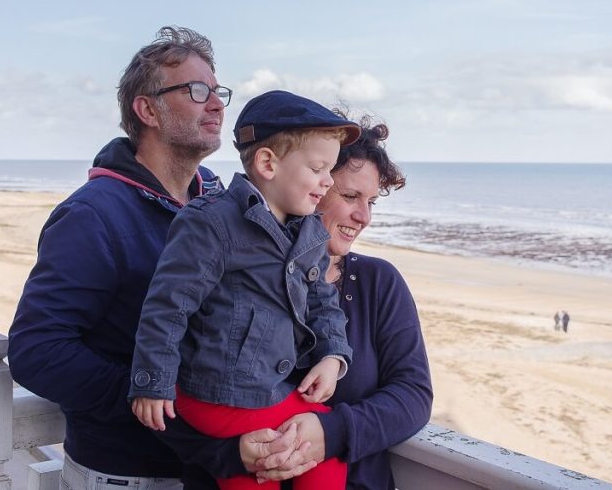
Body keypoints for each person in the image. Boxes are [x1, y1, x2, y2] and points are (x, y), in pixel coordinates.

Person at [9, 26, 257, 489]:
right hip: (128, 474)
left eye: (218, 90)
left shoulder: (222, 205)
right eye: (197, 90)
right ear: (148, 110)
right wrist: (155, 396)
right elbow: (37, 351)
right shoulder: (93, 214)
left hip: (213, 469)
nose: (218, 103)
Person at [167, 113, 433, 490]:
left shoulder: (379, 283)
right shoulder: (226, 266)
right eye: (350, 195)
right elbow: (172, 388)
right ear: (306, 181)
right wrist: (230, 455)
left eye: (372, 201)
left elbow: (413, 396)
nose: (364, 217)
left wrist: (331, 432)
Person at [129, 90, 360, 490]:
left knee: (325, 458)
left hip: (270, 389)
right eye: (319, 168)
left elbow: (323, 302)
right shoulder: (213, 223)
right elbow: (168, 306)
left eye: (332, 170)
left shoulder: (310, 231)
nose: (328, 182)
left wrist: (333, 356)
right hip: (215, 393)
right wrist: (152, 383)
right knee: (265, 462)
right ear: (268, 163)